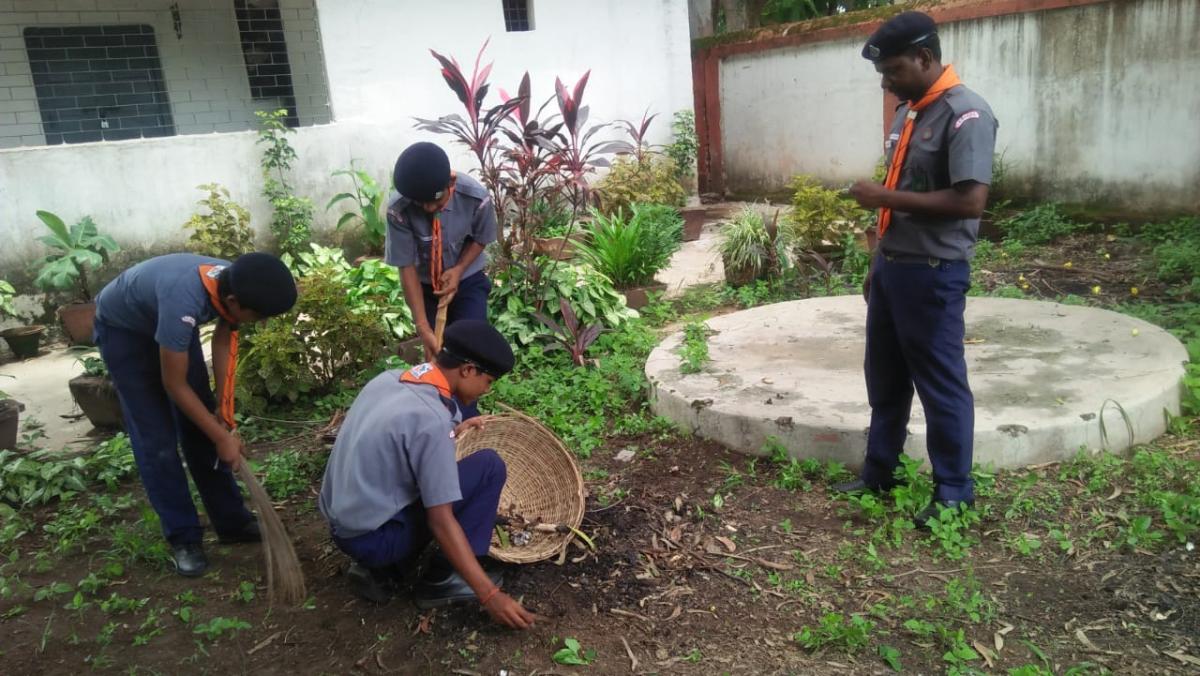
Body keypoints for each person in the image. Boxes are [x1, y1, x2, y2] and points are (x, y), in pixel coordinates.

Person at [840, 11, 998, 528]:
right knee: (883, 377)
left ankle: (954, 491)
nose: (886, 82)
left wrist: (881, 196)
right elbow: (901, 200)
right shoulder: (909, 111)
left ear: (926, 58)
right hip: (893, 266)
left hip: (933, 271)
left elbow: (970, 201)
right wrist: (876, 260)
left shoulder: (966, 114)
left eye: (895, 70)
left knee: (941, 384)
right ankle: (880, 472)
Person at [318, 319, 535, 630]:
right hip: (372, 541)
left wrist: (453, 430)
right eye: (488, 381)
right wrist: (490, 595)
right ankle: (444, 578)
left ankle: (384, 571)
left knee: (444, 480)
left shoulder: (391, 379)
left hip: (344, 527)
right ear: (468, 370)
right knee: (489, 467)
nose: (486, 391)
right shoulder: (431, 420)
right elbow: (441, 520)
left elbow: (402, 440)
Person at [93, 252, 297, 576]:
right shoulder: (183, 302)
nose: (262, 323)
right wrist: (221, 438)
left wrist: (223, 411)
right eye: (258, 317)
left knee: (202, 424)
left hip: (163, 317)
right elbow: (173, 384)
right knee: (157, 440)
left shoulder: (236, 279)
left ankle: (231, 522)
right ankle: (184, 538)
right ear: (232, 300)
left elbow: (226, 334)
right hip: (125, 331)